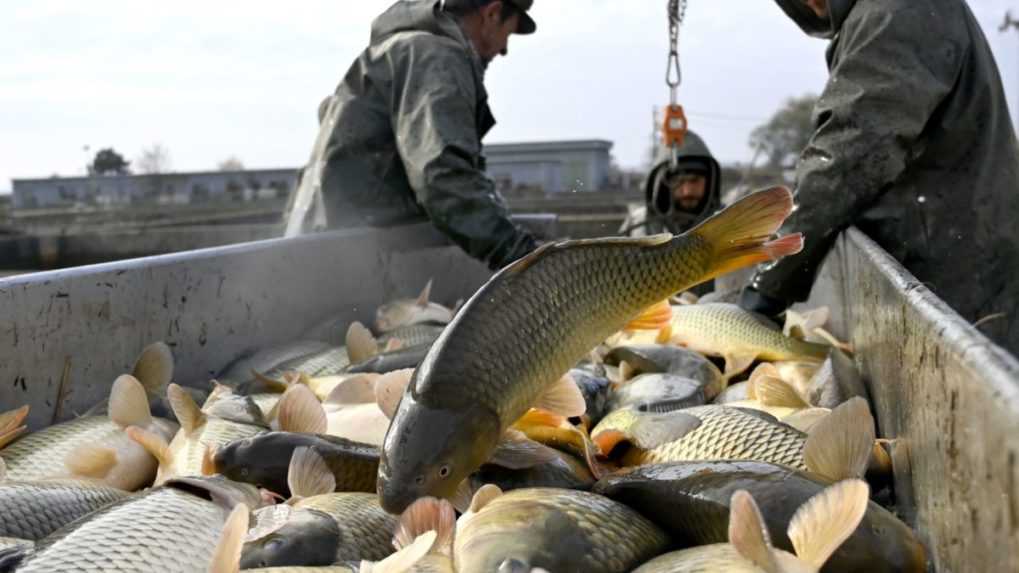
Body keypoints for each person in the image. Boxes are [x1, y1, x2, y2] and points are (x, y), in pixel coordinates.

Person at [742, 0, 1019, 354]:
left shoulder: (897, 10)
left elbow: (848, 155)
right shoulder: (877, 13)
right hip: (941, 264)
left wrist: (767, 287)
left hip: (959, 279)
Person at [284, 0, 540, 271]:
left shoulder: (400, 50)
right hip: (344, 265)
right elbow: (443, 177)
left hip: (323, 250)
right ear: (492, 14)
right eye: (507, 34)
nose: (504, 50)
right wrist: (523, 257)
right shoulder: (436, 57)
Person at [620, 131, 722, 238]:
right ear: (661, 185)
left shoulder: (728, 222)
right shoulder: (638, 225)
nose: (687, 191)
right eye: (678, 181)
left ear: (710, 181)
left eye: (695, 180)